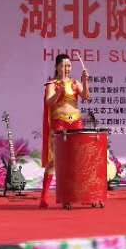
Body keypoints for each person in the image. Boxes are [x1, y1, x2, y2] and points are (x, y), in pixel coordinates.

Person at [40, 53, 89, 208]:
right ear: (57, 67)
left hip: (75, 122)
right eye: (63, 65)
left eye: (68, 66)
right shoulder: (52, 84)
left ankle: (77, 194)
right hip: (60, 122)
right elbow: (49, 102)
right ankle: (44, 197)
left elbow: (85, 96)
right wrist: (59, 92)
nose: (66, 68)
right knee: (56, 160)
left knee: (78, 159)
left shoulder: (74, 82)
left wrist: (85, 81)